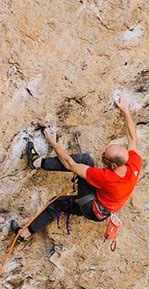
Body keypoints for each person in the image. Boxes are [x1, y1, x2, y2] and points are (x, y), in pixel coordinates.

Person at [10, 95, 141, 241]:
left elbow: (70, 164)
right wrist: (125, 110)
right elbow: (132, 138)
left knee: (58, 201)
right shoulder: (133, 163)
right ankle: (25, 234)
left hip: (92, 207)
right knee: (85, 163)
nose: (102, 154)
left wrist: (53, 143)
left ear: (114, 165)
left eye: (104, 156)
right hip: (104, 208)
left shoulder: (106, 178)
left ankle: (36, 163)